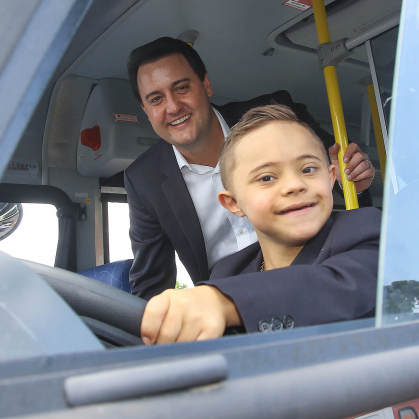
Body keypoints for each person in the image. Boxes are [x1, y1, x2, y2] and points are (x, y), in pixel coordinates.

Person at [125, 37, 376, 299]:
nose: (173, 107)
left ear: (206, 84)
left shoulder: (276, 116)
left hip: (316, 273)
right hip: (228, 300)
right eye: (156, 99)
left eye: (181, 88)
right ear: (145, 110)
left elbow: (338, 171)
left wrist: (354, 181)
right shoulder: (143, 179)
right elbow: (151, 284)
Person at [140, 104, 380, 343]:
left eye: (308, 169)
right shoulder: (227, 272)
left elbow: (344, 287)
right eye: (267, 177)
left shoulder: (365, 230)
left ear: (331, 177)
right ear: (234, 203)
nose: (294, 185)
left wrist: (225, 301)